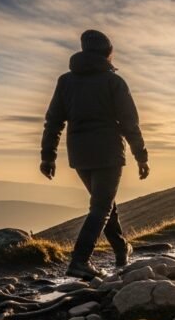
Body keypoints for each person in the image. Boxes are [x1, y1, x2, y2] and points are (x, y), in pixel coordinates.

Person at [40, 29, 149, 280]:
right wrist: (141, 156)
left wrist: (48, 156)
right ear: (107, 52)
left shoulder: (65, 81)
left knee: (104, 203)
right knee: (101, 206)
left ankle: (121, 248)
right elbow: (130, 123)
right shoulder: (114, 82)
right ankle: (80, 260)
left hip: (79, 154)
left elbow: (53, 121)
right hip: (108, 152)